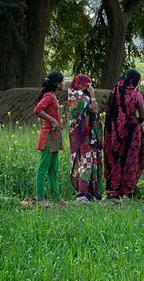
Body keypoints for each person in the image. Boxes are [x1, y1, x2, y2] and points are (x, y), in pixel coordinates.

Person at [103, 69, 144, 199]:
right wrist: (134, 120)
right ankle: (126, 192)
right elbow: (143, 116)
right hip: (132, 130)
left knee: (116, 158)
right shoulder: (136, 95)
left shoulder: (114, 94)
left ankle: (111, 191)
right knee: (130, 160)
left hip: (115, 131)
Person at [67, 74, 103, 203]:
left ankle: (87, 192)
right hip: (84, 136)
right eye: (88, 85)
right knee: (86, 164)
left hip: (81, 135)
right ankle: (82, 194)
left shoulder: (73, 96)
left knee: (86, 163)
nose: (90, 87)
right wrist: (92, 94)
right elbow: (94, 109)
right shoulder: (80, 97)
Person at [34, 71, 65, 205]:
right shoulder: (49, 97)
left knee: (54, 168)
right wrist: (52, 120)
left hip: (54, 136)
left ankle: (56, 197)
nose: (64, 84)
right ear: (57, 84)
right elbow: (37, 110)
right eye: (63, 81)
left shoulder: (53, 96)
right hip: (48, 135)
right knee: (43, 167)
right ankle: (40, 197)